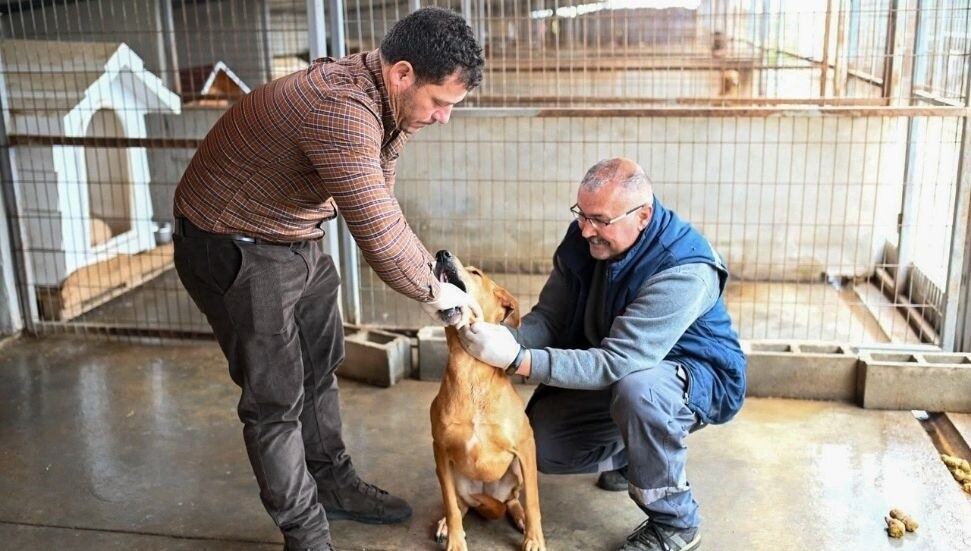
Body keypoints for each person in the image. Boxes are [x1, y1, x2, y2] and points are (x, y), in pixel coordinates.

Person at [171, 8, 484, 551]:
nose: (443, 118)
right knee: (275, 399)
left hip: (296, 233)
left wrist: (430, 278)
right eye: (440, 102)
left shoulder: (390, 105)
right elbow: (378, 233)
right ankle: (307, 533)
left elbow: (379, 199)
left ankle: (334, 483)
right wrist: (439, 295)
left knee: (321, 365)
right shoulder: (341, 110)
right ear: (403, 73)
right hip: (233, 244)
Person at [459, 158, 747, 551]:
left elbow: (618, 362)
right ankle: (636, 456)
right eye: (581, 214)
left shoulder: (683, 269)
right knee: (541, 441)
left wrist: (517, 360)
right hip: (622, 369)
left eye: (600, 220)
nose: (585, 229)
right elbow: (553, 317)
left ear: (643, 215)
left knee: (640, 390)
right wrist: (509, 338)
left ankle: (675, 523)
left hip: (696, 379)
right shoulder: (585, 241)